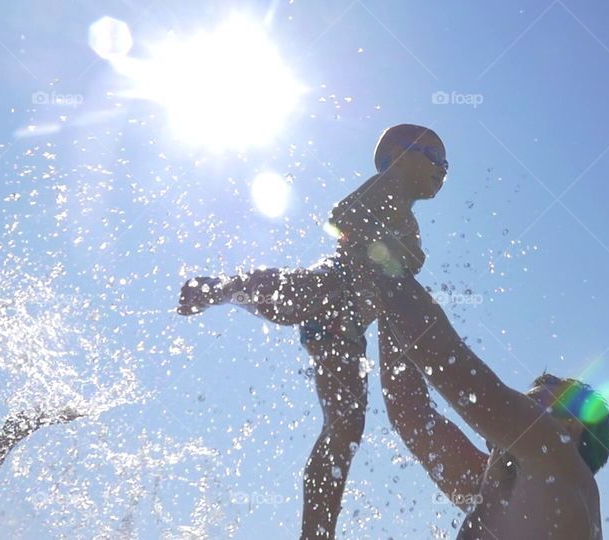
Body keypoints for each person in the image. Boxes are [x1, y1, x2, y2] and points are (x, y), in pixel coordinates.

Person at [176, 124, 449, 539]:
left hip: (350, 330)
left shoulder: (408, 221)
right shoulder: (385, 188)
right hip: (334, 285)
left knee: (347, 428)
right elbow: (341, 220)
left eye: (446, 163)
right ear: (397, 155)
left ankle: (316, 533)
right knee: (293, 293)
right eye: (433, 155)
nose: (442, 169)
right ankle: (225, 287)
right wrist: (389, 253)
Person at [375, 274, 609, 539]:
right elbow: (411, 414)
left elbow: (459, 374)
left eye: (533, 403)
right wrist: (387, 310)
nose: (520, 405)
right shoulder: (492, 488)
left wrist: (387, 265)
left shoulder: (564, 465)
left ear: (571, 427)